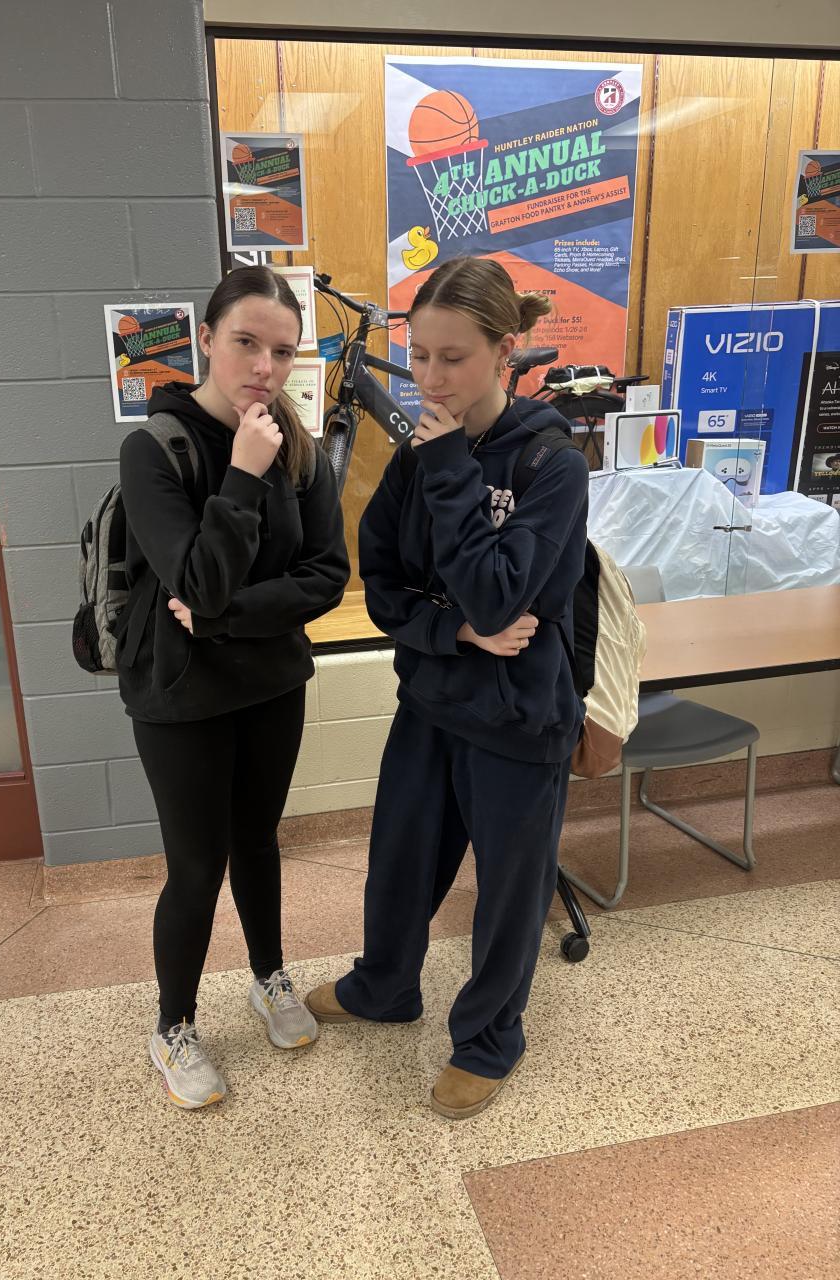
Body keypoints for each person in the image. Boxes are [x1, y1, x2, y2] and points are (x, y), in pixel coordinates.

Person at [306, 256, 589, 1120]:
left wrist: (453, 470)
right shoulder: (417, 456)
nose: (429, 379)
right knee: (398, 863)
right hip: (431, 700)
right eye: (420, 356)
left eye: (453, 358)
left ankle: (490, 1039)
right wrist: (457, 631)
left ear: (505, 351)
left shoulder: (550, 463)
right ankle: (384, 986)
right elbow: (384, 585)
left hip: (519, 718)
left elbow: (503, 594)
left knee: (508, 893)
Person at [118, 266, 350, 1110]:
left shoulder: (301, 446)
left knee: (257, 841)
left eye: (282, 352)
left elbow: (326, 574)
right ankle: (173, 1025)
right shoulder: (156, 449)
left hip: (270, 681)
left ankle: (269, 976)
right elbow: (197, 579)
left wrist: (223, 619)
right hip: (179, 695)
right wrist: (245, 473)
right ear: (207, 338)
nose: (263, 366)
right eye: (246, 342)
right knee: (196, 864)